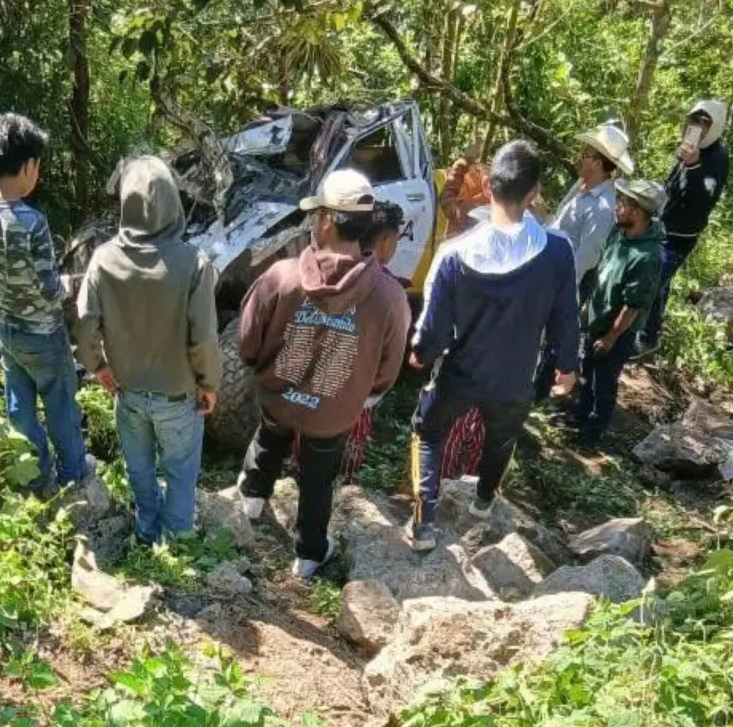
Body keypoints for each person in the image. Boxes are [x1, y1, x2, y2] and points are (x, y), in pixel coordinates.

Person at [236, 170, 411, 579]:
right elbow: (387, 371)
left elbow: (247, 342)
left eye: (317, 215)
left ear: (328, 220)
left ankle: (251, 500)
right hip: (333, 413)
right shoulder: (389, 297)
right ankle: (310, 553)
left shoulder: (280, 276)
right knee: (318, 476)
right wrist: (360, 394)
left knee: (269, 439)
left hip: (277, 398)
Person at [408, 140, 578, 551]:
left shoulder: (453, 254)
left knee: (428, 434)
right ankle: (484, 502)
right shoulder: (557, 251)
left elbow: (434, 325)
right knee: (502, 436)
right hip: (515, 376)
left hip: (459, 374)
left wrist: (421, 353)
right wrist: (567, 366)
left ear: (486, 186)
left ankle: (422, 526)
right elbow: (566, 316)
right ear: (534, 192)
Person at [75, 156, 222, 544]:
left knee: (139, 469)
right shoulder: (195, 263)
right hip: (178, 395)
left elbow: (86, 323)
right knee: (180, 469)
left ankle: (145, 529)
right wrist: (209, 384)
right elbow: (203, 337)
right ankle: (177, 538)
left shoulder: (103, 259)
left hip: (127, 390)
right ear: (174, 202)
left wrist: (99, 368)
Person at [0, 114, 86, 490]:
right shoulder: (32, 221)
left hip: (7, 329)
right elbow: (48, 288)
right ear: (30, 166)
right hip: (44, 334)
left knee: (19, 406)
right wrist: (75, 284)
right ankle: (72, 477)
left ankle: (34, 477)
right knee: (61, 406)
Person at [533, 123, 634, 400]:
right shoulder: (581, 188)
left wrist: (559, 288)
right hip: (550, 268)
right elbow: (560, 227)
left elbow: (586, 256)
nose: (582, 157)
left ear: (599, 164)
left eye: (587, 154)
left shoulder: (603, 208)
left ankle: (538, 394)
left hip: (568, 278)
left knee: (552, 336)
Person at [635, 100, 730, 358]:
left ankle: (647, 336)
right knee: (660, 282)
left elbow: (704, 199)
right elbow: (675, 185)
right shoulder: (691, 149)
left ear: (715, 127)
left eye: (704, 123)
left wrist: (694, 166)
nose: (697, 127)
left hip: (681, 236)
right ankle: (650, 332)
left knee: (653, 279)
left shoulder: (717, 158)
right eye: (694, 121)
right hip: (664, 224)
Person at [575, 180, 664, 446]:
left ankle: (592, 434)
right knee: (586, 369)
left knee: (603, 381)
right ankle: (579, 418)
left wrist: (611, 337)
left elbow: (633, 304)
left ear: (637, 213)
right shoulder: (619, 233)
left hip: (618, 330)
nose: (617, 207)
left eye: (623, 203)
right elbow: (604, 271)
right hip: (598, 316)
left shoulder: (648, 256)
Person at [340, 201, 406, 485]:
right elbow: (393, 354)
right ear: (385, 240)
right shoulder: (390, 291)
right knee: (346, 463)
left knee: (306, 454)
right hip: (358, 394)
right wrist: (374, 392)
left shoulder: (333, 272)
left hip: (318, 390)